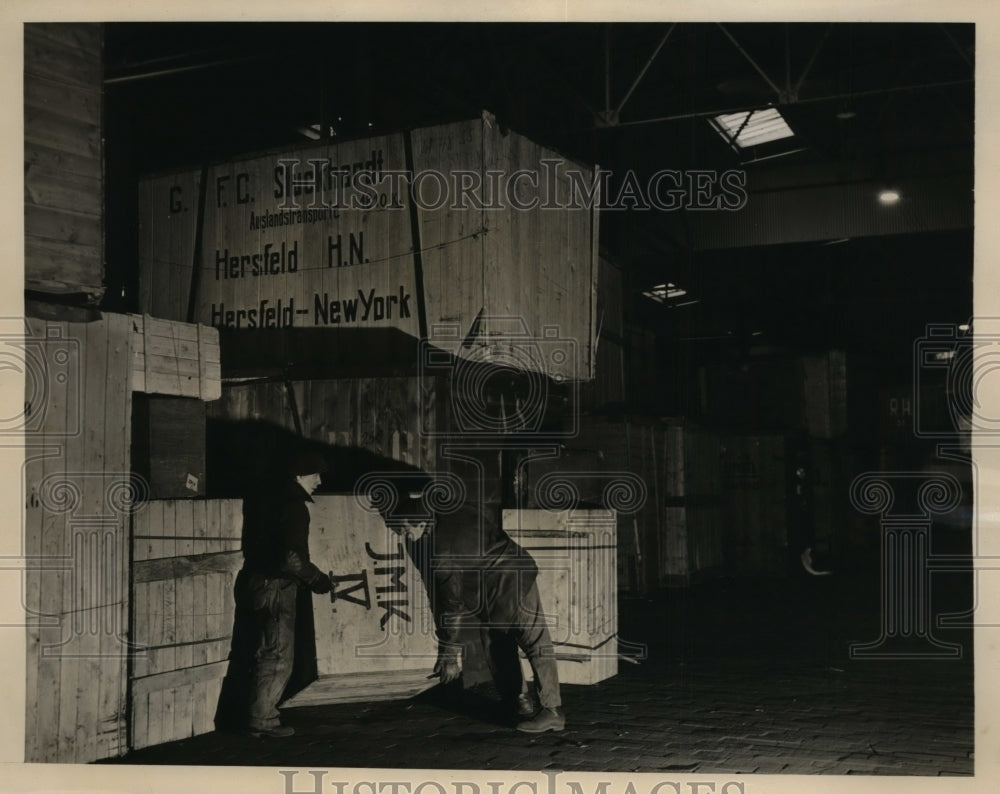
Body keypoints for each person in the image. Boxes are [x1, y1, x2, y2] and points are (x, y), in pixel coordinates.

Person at [387, 493, 566, 733]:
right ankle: (518, 703)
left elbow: (452, 606)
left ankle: (552, 711)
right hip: (490, 589)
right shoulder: (447, 509)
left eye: (404, 529)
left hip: (514, 578)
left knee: (534, 641)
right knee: (495, 644)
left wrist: (449, 654)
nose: (403, 536)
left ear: (419, 522)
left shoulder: (442, 552)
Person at [240, 450, 332, 738]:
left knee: (263, 650)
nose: (319, 480)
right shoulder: (294, 506)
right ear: (299, 476)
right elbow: (292, 559)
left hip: (256, 581)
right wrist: (318, 580)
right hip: (277, 586)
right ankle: (263, 720)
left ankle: (258, 715)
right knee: (277, 654)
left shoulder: (266, 499)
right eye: (314, 474)